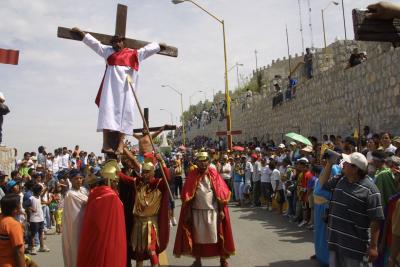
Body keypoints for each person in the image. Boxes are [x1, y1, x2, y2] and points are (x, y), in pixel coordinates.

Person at [72, 27, 165, 155]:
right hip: (110, 90)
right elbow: (96, 45)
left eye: (119, 41)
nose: (116, 44)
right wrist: (83, 35)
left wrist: (158, 46)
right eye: (114, 42)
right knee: (107, 113)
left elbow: (147, 50)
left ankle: (121, 145)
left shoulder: (134, 54)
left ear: (123, 42)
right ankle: (105, 143)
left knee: (125, 116)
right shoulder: (108, 52)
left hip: (127, 90)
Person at [319, 152, 384, 267]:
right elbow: (323, 184)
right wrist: (329, 163)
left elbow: (376, 220)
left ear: (355, 169)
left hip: (355, 249)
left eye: (347, 163)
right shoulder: (341, 179)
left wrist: (373, 247)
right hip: (335, 243)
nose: (343, 164)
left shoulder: (371, 190)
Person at [174, 151, 235, 267]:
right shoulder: (192, 174)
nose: (203, 163)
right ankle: (197, 260)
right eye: (200, 161)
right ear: (196, 162)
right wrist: (187, 212)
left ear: (208, 161)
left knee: (219, 235)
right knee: (197, 238)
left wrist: (221, 210)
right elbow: (187, 195)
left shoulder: (214, 174)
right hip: (197, 212)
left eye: (205, 161)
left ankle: (223, 259)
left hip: (213, 211)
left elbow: (221, 193)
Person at [118, 158, 170, 267]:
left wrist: (162, 163)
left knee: (151, 250)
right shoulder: (138, 182)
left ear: (152, 172)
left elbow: (167, 178)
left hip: (150, 224)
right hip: (138, 224)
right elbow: (126, 179)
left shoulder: (158, 184)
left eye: (147, 172)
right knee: (139, 254)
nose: (144, 175)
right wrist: (115, 170)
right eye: (143, 172)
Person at [77, 160, 127, 267]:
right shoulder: (110, 196)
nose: (117, 184)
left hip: (97, 238)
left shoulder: (95, 193)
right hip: (109, 239)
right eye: (115, 181)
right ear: (109, 180)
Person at [62, 169, 88, 267]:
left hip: (85, 224)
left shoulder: (84, 190)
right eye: (76, 178)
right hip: (75, 227)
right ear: (71, 180)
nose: (79, 180)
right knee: (75, 249)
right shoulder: (70, 194)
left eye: (81, 178)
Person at [0, 194, 25, 267]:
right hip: (9, 263)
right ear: (15, 209)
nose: (21, 206)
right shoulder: (14, 225)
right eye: (19, 205)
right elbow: (19, 252)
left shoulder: (1, 219)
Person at [29, 184, 50, 255]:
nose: (41, 192)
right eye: (40, 191)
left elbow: (42, 194)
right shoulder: (31, 198)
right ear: (37, 191)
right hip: (34, 219)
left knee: (41, 233)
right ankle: (33, 248)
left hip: (41, 218)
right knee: (33, 234)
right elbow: (25, 205)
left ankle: (42, 247)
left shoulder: (39, 197)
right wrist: (32, 209)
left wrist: (46, 189)